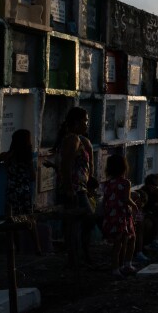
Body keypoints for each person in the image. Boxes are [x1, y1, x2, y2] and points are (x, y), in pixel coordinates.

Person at [53, 106, 95, 267]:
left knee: (81, 223)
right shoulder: (72, 139)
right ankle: (76, 257)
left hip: (81, 187)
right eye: (85, 120)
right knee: (80, 222)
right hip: (75, 189)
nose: (87, 123)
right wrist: (69, 187)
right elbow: (66, 165)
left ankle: (81, 256)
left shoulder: (80, 139)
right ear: (77, 122)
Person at [101, 154, 137, 279]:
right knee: (129, 240)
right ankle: (126, 264)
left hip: (111, 216)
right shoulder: (126, 182)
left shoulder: (106, 184)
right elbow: (127, 199)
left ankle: (117, 267)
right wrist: (135, 206)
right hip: (122, 215)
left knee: (117, 244)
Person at [0, 129, 35, 215]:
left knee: (11, 218)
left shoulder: (7, 156)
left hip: (13, 192)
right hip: (25, 193)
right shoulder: (28, 158)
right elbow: (33, 177)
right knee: (25, 220)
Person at [131, 190, 151, 263]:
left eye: (144, 202)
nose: (142, 204)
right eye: (141, 201)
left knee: (140, 231)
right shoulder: (134, 208)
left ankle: (139, 251)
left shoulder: (139, 210)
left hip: (135, 229)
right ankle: (138, 252)